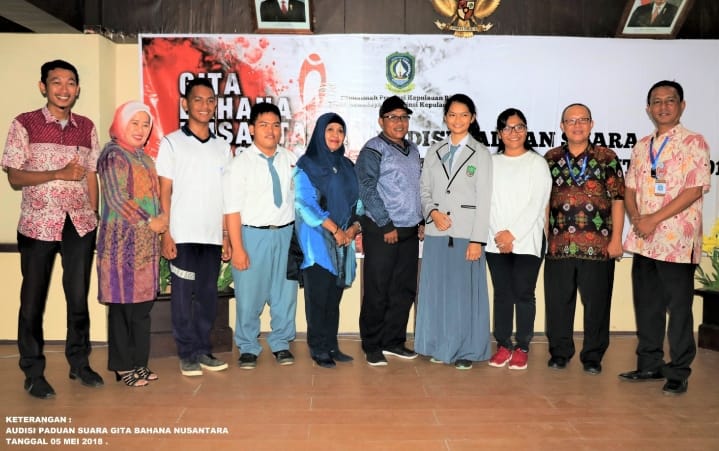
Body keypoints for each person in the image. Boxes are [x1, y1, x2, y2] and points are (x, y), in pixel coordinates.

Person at [2, 59, 104, 399]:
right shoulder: (25, 123)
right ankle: (33, 372)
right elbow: (14, 176)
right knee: (32, 300)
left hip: (79, 224)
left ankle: (80, 363)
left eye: (70, 82)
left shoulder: (86, 126)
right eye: (56, 82)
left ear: (77, 89)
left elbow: (92, 174)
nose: (64, 88)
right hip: (37, 224)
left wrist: (93, 214)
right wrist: (57, 174)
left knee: (78, 297)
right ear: (43, 86)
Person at [620, 80, 710, 396]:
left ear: (681, 105)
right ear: (648, 108)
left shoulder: (694, 142)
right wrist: (637, 218)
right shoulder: (642, 145)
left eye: (670, 100)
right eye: (656, 101)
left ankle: (679, 371)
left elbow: (694, 190)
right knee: (647, 305)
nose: (663, 106)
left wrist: (653, 219)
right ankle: (649, 364)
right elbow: (629, 188)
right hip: (644, 240)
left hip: (676, 242)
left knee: (679, 310)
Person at [156, 78, 231, 377]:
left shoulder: (222, 147)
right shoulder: (172, 143)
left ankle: (203, 350)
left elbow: (227, 196)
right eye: (198, 99)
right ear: (185, 104)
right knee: (182, 299)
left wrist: (226, 235)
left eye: (210, 100)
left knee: (207, 297)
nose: (204, 106)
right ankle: (186, 353)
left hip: (212, 237)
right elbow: (164, 192)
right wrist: (166, 233)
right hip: (182, 235)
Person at [544, 103, 625, 375]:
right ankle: (560, 353)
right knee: (558, 304)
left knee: (597, 305)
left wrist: (616, 239)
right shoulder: (551, 158)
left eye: (582, 120)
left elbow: (618, 199)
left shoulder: (607, 157)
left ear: (591, 124)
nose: (577, 125)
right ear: (562, 126)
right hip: (559, 245)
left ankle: (593, 356)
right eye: (571, 120)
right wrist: (546, 236)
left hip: (599, 247)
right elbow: (544, 201)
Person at [414, 93, 492, 370]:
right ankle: (438, 346)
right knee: (436, 292)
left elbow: (484, 199)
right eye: (452, 114)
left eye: (464, 115)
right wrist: (433, 213)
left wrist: (477, 240)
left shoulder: (481, 153)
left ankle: (465, 350)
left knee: (462, 295)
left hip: (466, 235)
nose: (457, 120)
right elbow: (424, 190)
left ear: (472, 118)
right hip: (436, 233)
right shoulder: (434, 151)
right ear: (445, 118)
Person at [96, 101, 167, 387]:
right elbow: (116, 198)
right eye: (134, 123)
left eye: (145, 124)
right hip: (121, 244)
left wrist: (162, 219)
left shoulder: (145, 158)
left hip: (146, 246)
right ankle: (122, 366)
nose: (140, 129)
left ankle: (139, 363)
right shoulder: (113, 154)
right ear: (121, 124)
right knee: (122, 308)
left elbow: (155, 197)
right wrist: (150, 220)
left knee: (142, 309)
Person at [223, 102, 298, 370]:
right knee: (249, 295)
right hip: (252, 236)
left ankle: (281, 342)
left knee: (285, 293)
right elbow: (232, 210)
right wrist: (237, 247)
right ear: (252, 129)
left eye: (276, 125)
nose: (271, 130)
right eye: (264, 125)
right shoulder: (240, 164)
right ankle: (247, 346)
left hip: (286, 234)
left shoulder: (290, 159)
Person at [355, 95, 423, 366]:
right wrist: (385, 223)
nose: (399, 122)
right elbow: (366, 188)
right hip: (383, 231)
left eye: (404, 117)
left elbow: (417, 188)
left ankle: (393, 341)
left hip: (409, 231)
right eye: (393, 117)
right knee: (378, 289)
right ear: (381, 121)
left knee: (403, 290)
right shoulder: (373, 149)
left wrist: (420, 221)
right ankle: (372, 344)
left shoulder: (413, 149)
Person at [294, 112, 362, 368]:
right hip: (318, 240)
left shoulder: (347, 166)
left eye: (340, 131)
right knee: (318, 298)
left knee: (334, 298)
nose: (336, 135)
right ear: (320, 133)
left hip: (343, 240)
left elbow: (358, 202)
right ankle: (318, 347)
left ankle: (332, 345)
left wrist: (353, 228)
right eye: (330, 130)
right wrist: (335, 230)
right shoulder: (306, 165)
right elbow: (304, 204)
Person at [485, 108, 551, 371]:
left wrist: (512, 235)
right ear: (499, 134)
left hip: (528, 241)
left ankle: (522, 346)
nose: (514, 132)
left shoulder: (537, 163)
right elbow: (485, 201)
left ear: (526, 130)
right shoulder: (491, 163)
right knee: (502, 294)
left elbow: (537, 203)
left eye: (519, 126)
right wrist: (500, 235)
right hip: (495, 241)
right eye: (508, 127)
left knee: (524, 294)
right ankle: (503, 344)